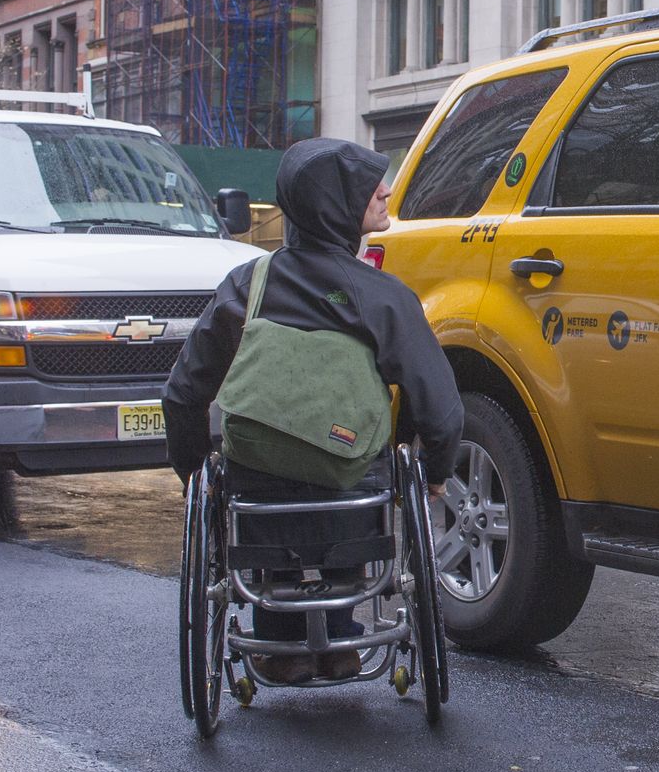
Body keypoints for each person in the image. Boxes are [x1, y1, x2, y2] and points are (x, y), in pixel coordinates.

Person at [163, 137, 463, 684]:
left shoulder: (243, 288)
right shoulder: (384, 298)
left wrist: (194, 473)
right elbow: (440, 409)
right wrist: (437, 472)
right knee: (350, 467)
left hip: (257, 490)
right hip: (353, 493)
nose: (387, 189)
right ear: (334, 201)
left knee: (263, 477)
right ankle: (341, 636)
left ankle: (278, 641)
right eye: (369, 184)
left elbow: (183, 394)